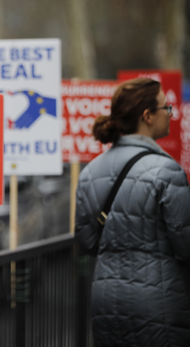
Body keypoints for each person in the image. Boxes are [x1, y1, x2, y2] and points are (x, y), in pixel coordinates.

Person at [75, 77, 190, 347]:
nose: (171, 115)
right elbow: (185, 246)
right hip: (160, 304)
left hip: (106, 303)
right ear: (147, 116)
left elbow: (86, 241)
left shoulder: (90, 171)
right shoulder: (167, 171)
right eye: (166, 109)